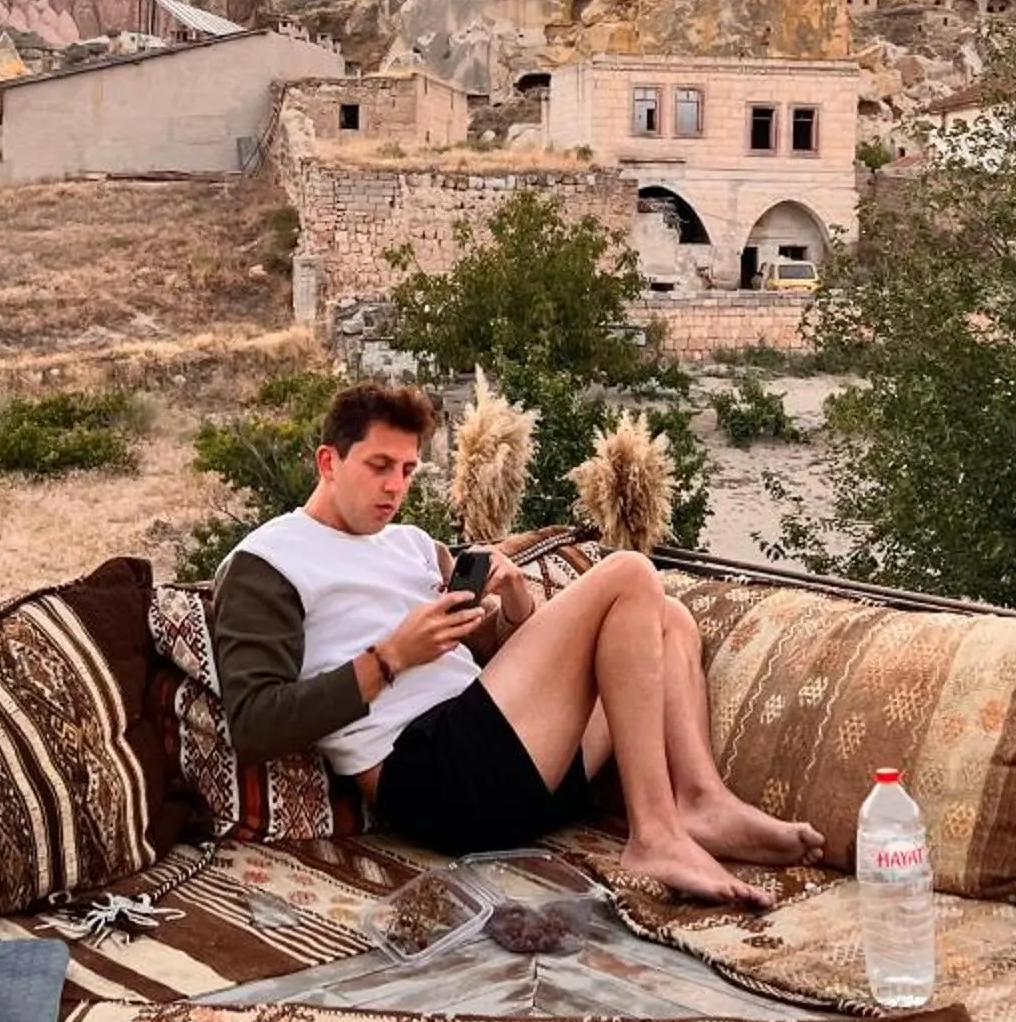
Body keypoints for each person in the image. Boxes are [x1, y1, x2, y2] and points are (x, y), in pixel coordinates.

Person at [210, 380, 818, 905]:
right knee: (629, 573)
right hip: (433, 778)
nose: (394, 487)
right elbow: (256, 723)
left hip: (519, 768)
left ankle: (699, 799)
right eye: (378, 466)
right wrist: (391, 658)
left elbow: (506, 664)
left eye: (408, 470)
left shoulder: (414, 545)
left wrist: (515, 602)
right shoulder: (266, 563)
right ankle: (655, 834)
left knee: (669, 617)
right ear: (328, 462)